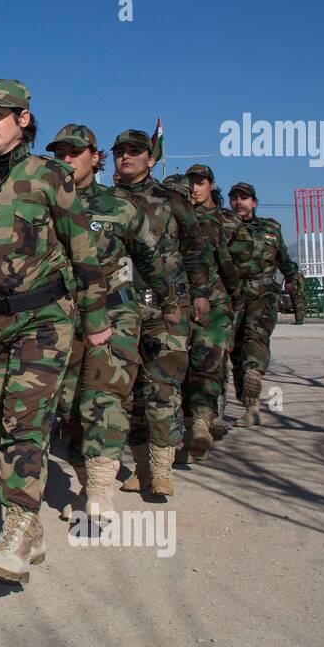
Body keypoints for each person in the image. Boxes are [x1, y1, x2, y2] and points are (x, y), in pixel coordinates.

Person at [0, 86, 110, 584]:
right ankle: (33, 530)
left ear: (24, 118)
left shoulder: (50, 176)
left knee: (25, 423)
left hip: (42, 319)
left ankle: (18, 530)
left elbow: (84, 252)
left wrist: (94, 319)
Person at [47, 125, 173, 521]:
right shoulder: (44, 205)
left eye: (75, 153)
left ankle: (101, 492)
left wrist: (168, 301)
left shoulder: (120, 207)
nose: (66, 160)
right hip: (60, 314)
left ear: (95, 158)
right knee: (67, 405)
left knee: (103, 395)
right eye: (60, 153)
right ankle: (85, 481)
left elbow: (151, 259)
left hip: (114, 311)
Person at [111, 130, 209, 498]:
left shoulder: (171, 201)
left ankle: (161, 467)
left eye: (135, 151)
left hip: (167, 305)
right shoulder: (106, 201)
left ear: (150, 159)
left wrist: (200, 294)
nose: (126, 157)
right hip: (120, 305)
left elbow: (195, 249)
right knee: (131, 391)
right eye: (120, 151)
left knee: (164, 384)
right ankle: (139, 465)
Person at [227, 182, 305, 427]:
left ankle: (254, 377)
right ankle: (249, 401)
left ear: (254, 202)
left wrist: (294, 283)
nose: (239, 202)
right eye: (235, 198)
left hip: (263, 294)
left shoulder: (271, 228)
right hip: (233, 296)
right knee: (236, 351)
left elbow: (285, 260)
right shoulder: (223, 227)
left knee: (256, 338)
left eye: (244, 198)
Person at [181, 164, 242, 457]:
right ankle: (196, 423)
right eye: (190, 183)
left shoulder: (225, 222)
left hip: (214, 306)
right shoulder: (175, 219)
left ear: (211, 184)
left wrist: (238, 299)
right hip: (179, 306)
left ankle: (204, 421)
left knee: (209, 364)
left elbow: (232, 265)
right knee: (186, 369)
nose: (194, 188)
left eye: (200, 182)